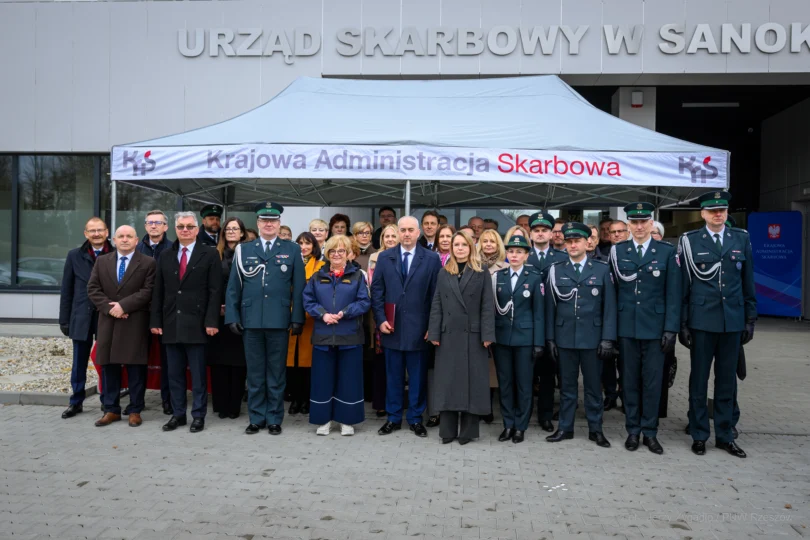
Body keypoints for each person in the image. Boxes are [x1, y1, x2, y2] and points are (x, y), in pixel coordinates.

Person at [678, 191, 755, 459]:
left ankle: (725, 434)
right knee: (698, 381)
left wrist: (749, 318)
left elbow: (748, 281)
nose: (718, 214)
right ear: (703, 214)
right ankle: (700, 434)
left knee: (726, 382)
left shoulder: (740, 238)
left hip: (731, 321)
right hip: (701, 321)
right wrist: (683, 322)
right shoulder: (689, 241)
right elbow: (684, 285)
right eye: (712, 211)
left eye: (721, 209)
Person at [225, 202, 306, 436]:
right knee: (255, 373)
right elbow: (234, 288)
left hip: (279, 320)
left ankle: (274, 418)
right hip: (250, 320)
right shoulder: (244, 250)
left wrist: (297, 318)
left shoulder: (292, 249)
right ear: (258, 224)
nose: (269, 224)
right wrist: (232, 315)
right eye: (264, 220)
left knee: (277, 373)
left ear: (279, 224)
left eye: (273, 220)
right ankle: (256, 418)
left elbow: (298, 287)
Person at [608, 202, 680, 455]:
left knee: (652, 383)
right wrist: (611, 332)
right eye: (634, 222)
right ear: (628, 225)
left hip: (655, 329)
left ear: (651, 223)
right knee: (629, 382)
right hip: (626, 327)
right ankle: (632, 430)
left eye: (643, 222)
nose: (639, 227)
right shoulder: (618, 252)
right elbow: (612, 295)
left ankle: (650, 432)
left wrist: (671, 329)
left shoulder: (666, 252)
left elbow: (673, 294)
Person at [545, 222, 617, 448]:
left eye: (577, 241)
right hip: (564, 337)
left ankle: (596, 429)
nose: (573, 245)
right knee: (567, 387)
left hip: (592, 338)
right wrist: (550, 338)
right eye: (569, 241)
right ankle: (565, 428)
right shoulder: (556, 269)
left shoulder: (602, 269)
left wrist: (608, 338)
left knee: (594, 387)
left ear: (588, 243)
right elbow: (550, 308)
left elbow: (610, 308)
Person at [151, 211, 221, 433]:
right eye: (181, 226)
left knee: (199, 375)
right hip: (171, 322)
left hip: (198, 323)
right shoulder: (165, 255)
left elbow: (215, 291)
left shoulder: (209, 254)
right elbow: (158, 291)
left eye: (189, 226)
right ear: (175, 229)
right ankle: (178, 414)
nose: (185, 230)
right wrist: (156, 320)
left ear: (197, 229)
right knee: (174, 373)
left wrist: (212, 321)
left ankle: (198, 415)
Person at [370, 216, 441, 438]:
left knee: (418, 377)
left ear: (418, 232)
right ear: (397, 232)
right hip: (391, 327)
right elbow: (377, 292)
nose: (407, 234)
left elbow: (435, 296)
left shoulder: (431, 259)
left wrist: (432, 325)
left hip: (419, 329)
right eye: (403, 230)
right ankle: (393, 418)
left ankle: (415, 418)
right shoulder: (384, 257)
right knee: (393, 376)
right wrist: (380, 319)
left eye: (411, 229)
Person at [428, 231, 495, 445]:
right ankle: (447, 431)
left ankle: (467, 432)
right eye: (456, 245)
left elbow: (487, 305)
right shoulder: (443, 272)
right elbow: (436, 304)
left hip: (473, 336)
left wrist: (487, 334)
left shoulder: (481, 271)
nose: (459, 248)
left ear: (470, 247)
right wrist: (434, 332)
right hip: (448, 335)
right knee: (448, 382)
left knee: (471, 383)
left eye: (463, 245)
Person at [87, 225, 156, 428]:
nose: (125, 240)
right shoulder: (102, 261)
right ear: (114, 240)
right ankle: (111, 409)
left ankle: (135, 410)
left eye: (129, 236)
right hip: (108, 321)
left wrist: (124, 306)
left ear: (137, 240)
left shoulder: (148, 262)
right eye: (121, 236)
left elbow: (148, 290)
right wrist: (111, 308)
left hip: (134, 321)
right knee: (109, 367)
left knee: (136, 368)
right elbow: (92, 288)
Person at [302, 235, 371, 436]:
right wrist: (323, 314)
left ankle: (347, 421)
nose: (337, 254)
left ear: (348, 253)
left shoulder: (358, 276)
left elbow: (364, 302)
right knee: (322, 380)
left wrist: (344, 312)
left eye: (341, 251)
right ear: (327, 253)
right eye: (333, 251)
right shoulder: (317, 276)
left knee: (349, 380)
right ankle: (323, 420)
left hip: (349, 336)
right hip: (323, 336)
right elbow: (308, 301)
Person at [59, 217, 113, 419]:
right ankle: (76, 401)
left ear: (107, 232)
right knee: (79, 361)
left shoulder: (116, 254)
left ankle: (107, 401)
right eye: (92, 231)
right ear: (86, 234)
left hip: (106, 317)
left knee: (106, 360)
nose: (96, 234)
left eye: (100, 230)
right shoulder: (74, 256)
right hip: (81, 316)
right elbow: (67, 290)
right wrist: (64, 320)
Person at [492, 235, 544, 444]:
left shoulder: (534, 277)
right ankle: (508, 424)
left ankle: (521, 426)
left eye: (519, 252)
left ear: (526, 255)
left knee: (524, 385)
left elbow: (539, 313)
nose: (514, 255)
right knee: (505, 383)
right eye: (511, 251)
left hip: (525, 339)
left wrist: (538, 342)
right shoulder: (499, 276)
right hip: (502, 338)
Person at [525, 211, 564, 432]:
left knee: (548, 374)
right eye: (536, 230)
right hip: (526, 323)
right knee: (525, 374)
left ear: (551, 233)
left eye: (544, 230)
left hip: (552, 324)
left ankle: (545, 415)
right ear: (530, 233)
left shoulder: (561, 259)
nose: (540, 234)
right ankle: (524, 413)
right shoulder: (522, 255)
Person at [208, 217, 248, 420]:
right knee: (219, 362)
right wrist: (218, 308)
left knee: (238, 363)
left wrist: (233, 307)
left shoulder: (249, 253)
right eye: (228, 229)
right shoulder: (214, 254)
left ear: (242, 232)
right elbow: (209, 285)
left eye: (236, 229)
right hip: (218, 315)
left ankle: (234, 406)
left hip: (241, 314)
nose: (231, 232)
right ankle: (220, 405)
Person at [136, 210, 174, 415]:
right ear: (145, 226)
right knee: (139, 357)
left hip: (165, 312)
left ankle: (167, 400)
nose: (153, 226)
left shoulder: (173, 248)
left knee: (167, 359)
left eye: (158, 222)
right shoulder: (137, 248)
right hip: (140, 312)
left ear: (165, 227)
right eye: (150, 222)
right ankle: (137, 399)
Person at [286, 232, 324, 416]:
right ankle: (295, 399)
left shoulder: (321, 266)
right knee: (292, 364)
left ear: (314, 245)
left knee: (308, 364)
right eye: (300, 243)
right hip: (290, 318)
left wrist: (306, 313)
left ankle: (308, 400)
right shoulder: (289, 263)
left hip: (311, 320)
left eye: (307, 243)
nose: (303, 246)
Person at [367, 223, 399, 417]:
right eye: (386, 236)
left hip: (399, 313)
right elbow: (373, 285)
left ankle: (395, 401)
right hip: (379, 313)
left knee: (397, 361)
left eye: (393, 236)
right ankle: (380, 402)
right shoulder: (375, 257)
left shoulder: (405, 257)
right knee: (381, 360)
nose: (389, 240)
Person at [603, 219, 631, 410]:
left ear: (627, 232)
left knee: (627, 363)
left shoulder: (631, 253)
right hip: (608, 317)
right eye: (613, 232)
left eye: (621, 231)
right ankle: (610, 395)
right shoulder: (604, 256)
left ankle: (626, 396)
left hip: (627, 317)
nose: (617, 235)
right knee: (607, 362)